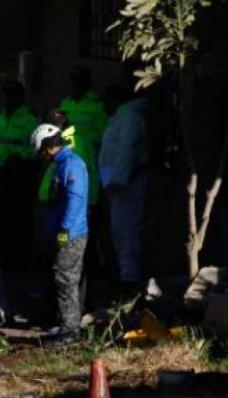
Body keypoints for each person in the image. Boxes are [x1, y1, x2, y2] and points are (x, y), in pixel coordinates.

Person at [32, 123, 89, 341]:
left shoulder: (71, 164)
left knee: (66, 279)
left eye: (42, 150)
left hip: (71, 234)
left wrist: (65, 230)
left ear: (48, 146)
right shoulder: (61, 163)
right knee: (62, 278)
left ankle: (70, 330)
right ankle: (67, 324)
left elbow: (75, 201)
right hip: (62, 231)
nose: (42, 155)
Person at [98, 86, 149, 294]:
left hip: (127, 184)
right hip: (117, 186)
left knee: (127, 230)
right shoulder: (120, 117)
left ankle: (129, 279)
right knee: (119, 230)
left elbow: (127, 149)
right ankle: (123, 273)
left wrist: (120, 179)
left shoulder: (129, 117)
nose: (103, 107)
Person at [0, 80, 39, 270]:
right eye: (6, 94)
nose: (8, 99)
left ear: (21, 98)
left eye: (12, 95)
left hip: (20, 175)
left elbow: (36, 149)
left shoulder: (29, 119)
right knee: (3, 219)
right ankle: (6, 260)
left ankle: (23, 262)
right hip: (0, 175)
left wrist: (21, 157)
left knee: (21, 220)